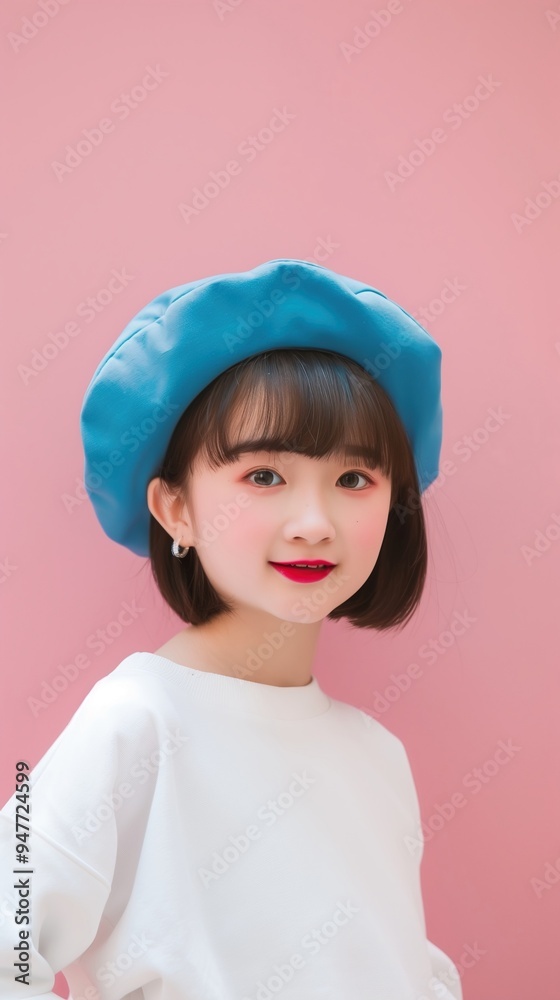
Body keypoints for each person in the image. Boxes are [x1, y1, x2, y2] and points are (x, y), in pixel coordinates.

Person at [0, 259, 463, 999]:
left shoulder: (377, 757)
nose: (314, 524)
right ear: (176, 509)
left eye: (354, 480)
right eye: (264, 476)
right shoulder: (134, 724)